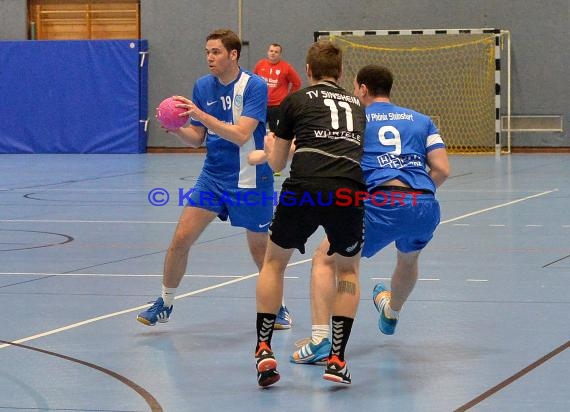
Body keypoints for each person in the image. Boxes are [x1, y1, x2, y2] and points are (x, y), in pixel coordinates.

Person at [290, 64, 450, 364]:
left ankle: (321, 339)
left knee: (326, 258)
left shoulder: (357, 119)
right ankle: (392, 312)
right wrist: (417, 196)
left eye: (355, 88)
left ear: (362, 89)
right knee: (408, 258)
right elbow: (442, 169)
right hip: (425, 203)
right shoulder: (422, 120)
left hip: (381, 203)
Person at [136, 29, 293, 329]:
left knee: (260, 249)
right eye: (207, 51)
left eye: (216, 52)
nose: (210, 57)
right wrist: (176, 126)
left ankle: (279, 306)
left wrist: (200, 115)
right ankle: (165, 302)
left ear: (233, 54)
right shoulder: (203, 87)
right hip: (213, 176)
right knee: (180, 239)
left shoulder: (254, 86)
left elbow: (241, 134)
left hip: (249, 178)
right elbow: (198, 138)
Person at [253, 40, 367, 387]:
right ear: (341, 73)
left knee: (274, 263)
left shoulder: (295, 100)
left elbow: (276, 165)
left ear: (307, 71)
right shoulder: (358, 107)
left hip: (303, 187)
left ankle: (264, 348)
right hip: (347, 188)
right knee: (347, 270)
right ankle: (336, 359)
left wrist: (270, 148)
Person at [253, 43, 302, 133]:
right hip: (262, 104)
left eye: (276, 52)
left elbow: (297, 83)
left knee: (276, 133)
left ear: (280, 55)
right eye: (271, 51)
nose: (273, 53)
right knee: (257, 130)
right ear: (267, 52)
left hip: (277, 106)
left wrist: (288, 97)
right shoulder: (260, 64)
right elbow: (254, 81)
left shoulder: (286, 67)